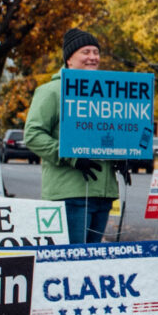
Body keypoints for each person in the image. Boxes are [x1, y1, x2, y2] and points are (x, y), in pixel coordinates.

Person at [23, 30, 120, 244]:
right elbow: (32, 135)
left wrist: (124, 156)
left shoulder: (109, 94)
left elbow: (114, 135)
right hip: (69, 194)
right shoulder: (52, 92)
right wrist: (71, 156)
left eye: (96, 52)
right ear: (69, 59)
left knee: (91, 264)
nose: (93, 57)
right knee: (73, 264)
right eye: (86, 52)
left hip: (103, 195)